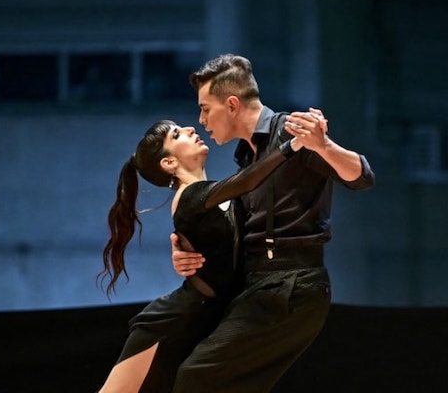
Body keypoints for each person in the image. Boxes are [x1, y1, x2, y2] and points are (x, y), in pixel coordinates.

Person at [170, 54, 375, 392]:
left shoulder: (292, 133)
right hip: (260, 284)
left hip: (291, 286)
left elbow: (362, 176)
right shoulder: (246, 156)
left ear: (232, 105)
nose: (201, 119)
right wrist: (186, 252)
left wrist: (323, 146)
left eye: (206, 108)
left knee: (196, 377)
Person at [96, 118, 308, 393]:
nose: (191, 129)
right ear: (169, 163)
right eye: (177, 134)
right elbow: (247, 179)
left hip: (214, 318)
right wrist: (293, 145)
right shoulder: (191, 197)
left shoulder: (219, 196)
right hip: (178, 318)